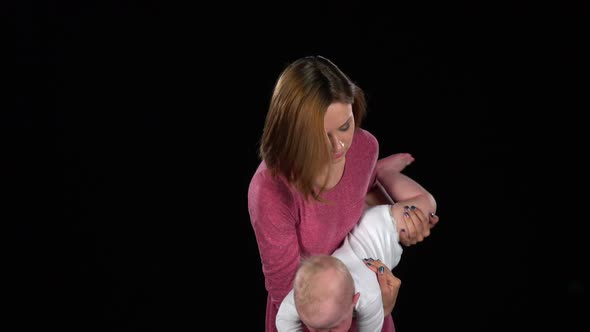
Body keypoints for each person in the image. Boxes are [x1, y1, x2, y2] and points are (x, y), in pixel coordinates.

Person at [248, 55, 438, 332]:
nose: (338, 145)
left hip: (361, 296)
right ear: (293, 133)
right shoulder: (271, 188)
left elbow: (364, 195)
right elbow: (289, 297)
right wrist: (355, 317)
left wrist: (399, 227)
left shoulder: (363, 147)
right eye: (320, 135)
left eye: (345, 126)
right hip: (312, 316)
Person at [276, 203, 426, 332]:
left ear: (354, 300)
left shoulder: (368, 296)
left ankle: (387, 173)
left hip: (388, 226)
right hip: (363, 230)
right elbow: (283, 319)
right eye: (315, 329)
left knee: (427, 205)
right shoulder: (303, 296)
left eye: (334, 328)